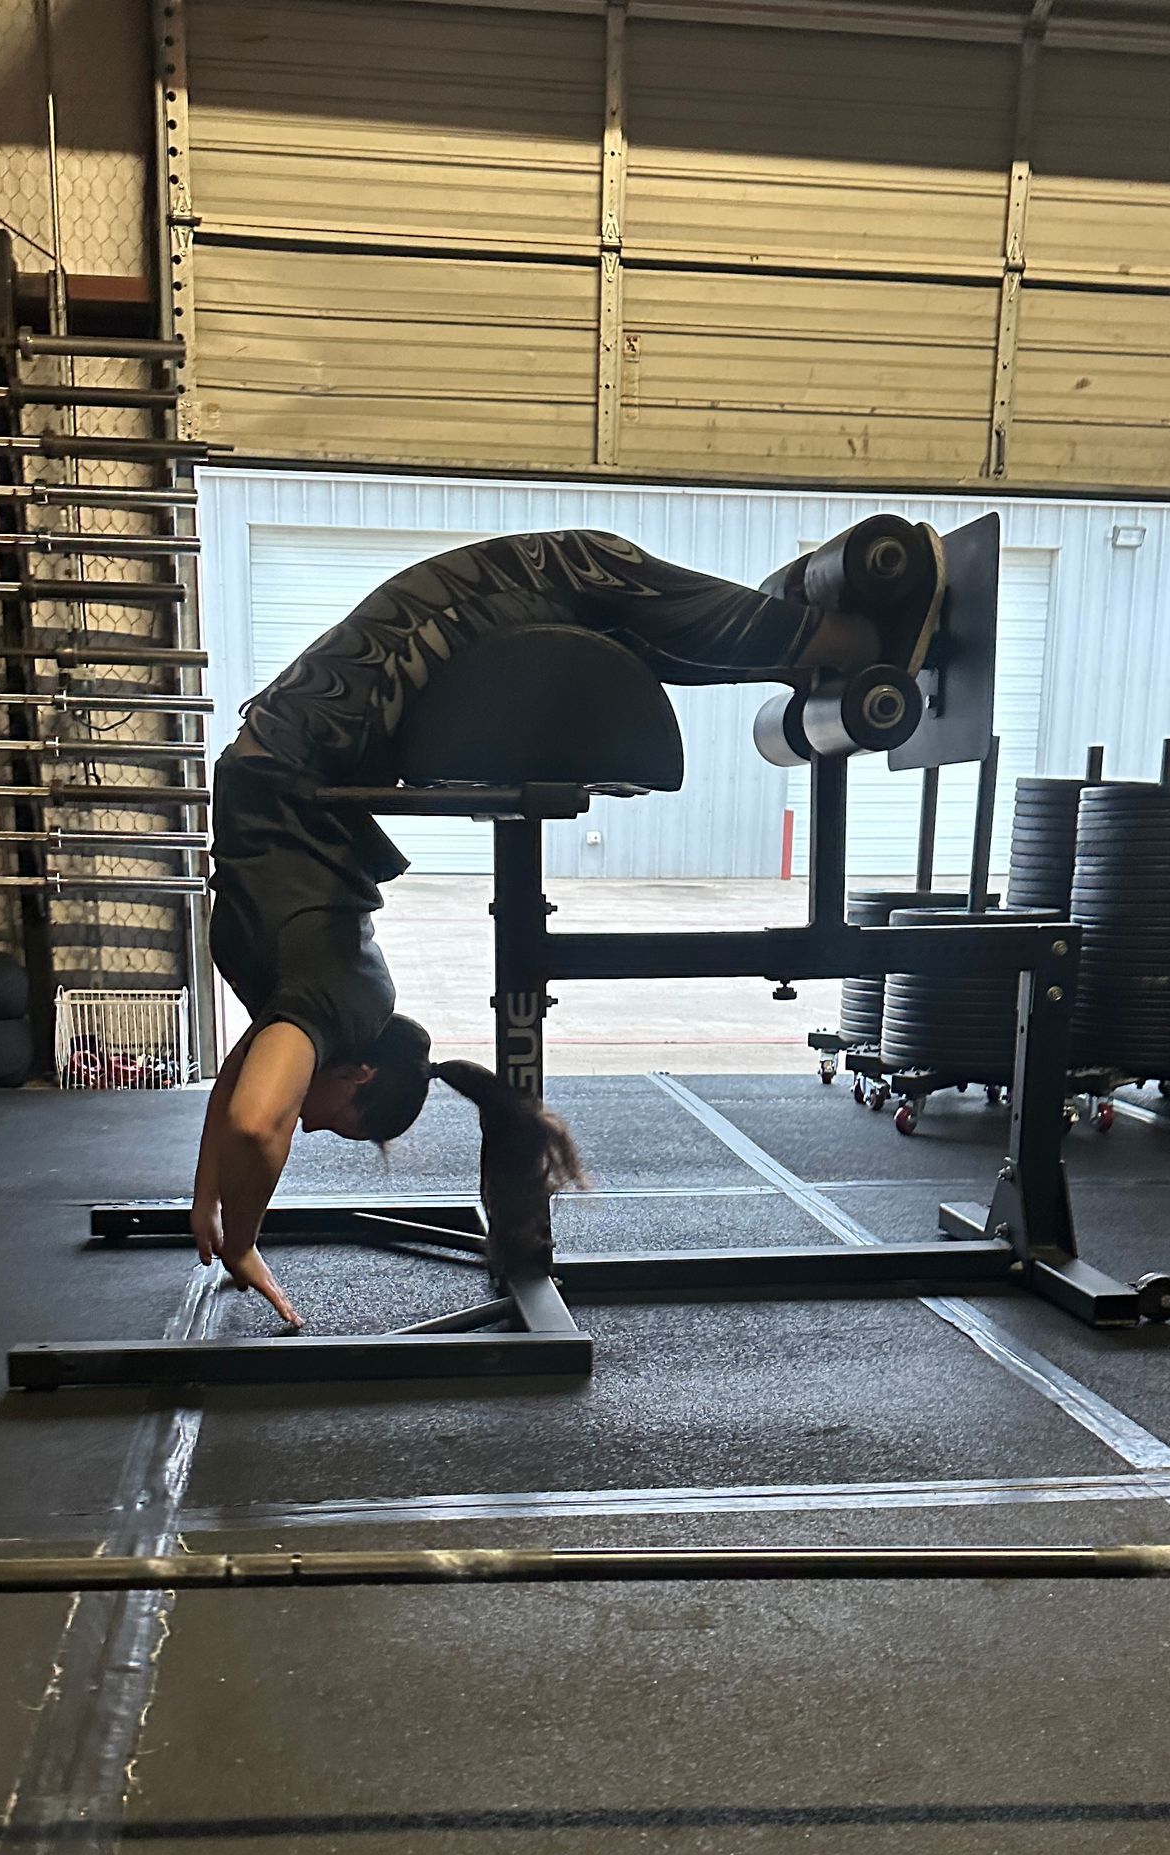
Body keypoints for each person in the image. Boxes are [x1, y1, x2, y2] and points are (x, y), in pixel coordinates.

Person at [191, 525, 946, 1323]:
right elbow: (251, 1112)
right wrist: (224, 1220)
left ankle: (838, 642)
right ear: (358, 1074)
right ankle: (829, 645)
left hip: (396, 667)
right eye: (330, 1122)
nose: (303, 1125)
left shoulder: (323, 998)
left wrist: (228, 1223)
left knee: (642, 615)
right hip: (460, 624)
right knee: (636, 611)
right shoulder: (327, 997)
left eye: (320, 1125)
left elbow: (248, 1115)